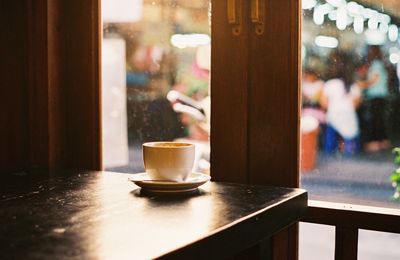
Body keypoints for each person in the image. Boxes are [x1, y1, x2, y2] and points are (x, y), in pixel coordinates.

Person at [320, 52, 362, 156]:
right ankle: (349, 153)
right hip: (348, 115)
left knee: (330, 136)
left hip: (333, 115)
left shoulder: (330, 84)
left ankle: (329, 154)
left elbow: (323, 103)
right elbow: (356, 104)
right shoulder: (354, 86)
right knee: (350, 135)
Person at [358, 46, 390, 152]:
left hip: (376, 95)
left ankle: (376, 143)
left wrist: (362, 84)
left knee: (376, 120)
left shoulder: (376, 65)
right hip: (380, 96)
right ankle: (383, 142)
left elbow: (374, 80)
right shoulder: (379, 64)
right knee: (379, 119)